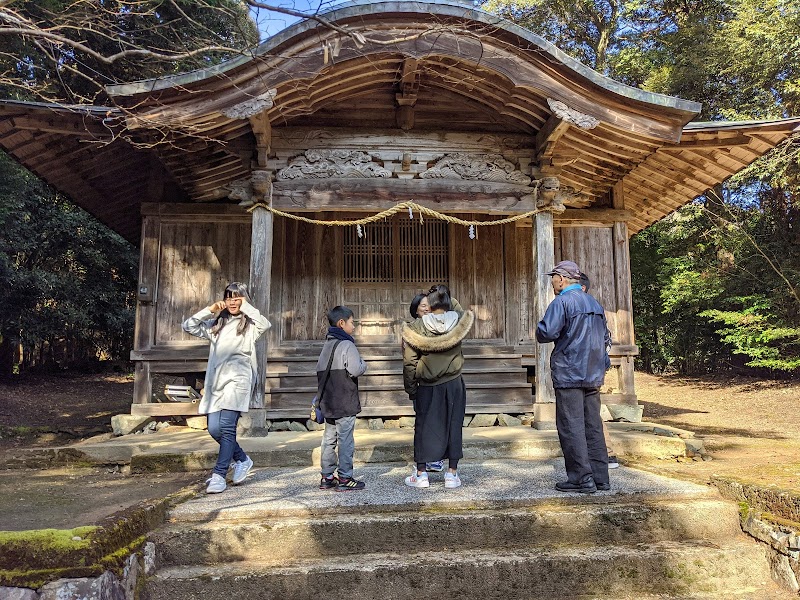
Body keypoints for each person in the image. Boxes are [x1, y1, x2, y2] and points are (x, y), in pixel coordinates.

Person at [182, 282, 271, 494]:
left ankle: (219, 475)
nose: (233, 301)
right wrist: (210, 310)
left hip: (238, 381)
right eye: (229, 297)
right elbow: (188, 326)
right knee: (214, 429)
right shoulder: (216, 325)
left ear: (245, 300)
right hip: (216, 383)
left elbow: (265, 323)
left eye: (237, 297)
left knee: (227, 427)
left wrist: (246, 306)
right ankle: (242, 459)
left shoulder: (250, 327)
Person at [537, 261, 611, 493]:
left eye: (553, 277)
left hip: (570, 371)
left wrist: (539, 328)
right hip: (593, 372)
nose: (552, 281)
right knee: (593, 425)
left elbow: (546, 332)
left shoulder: (562, 302)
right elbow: (605, 337)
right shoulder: (594, 303)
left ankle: (581, 478)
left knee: (571, 425)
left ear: (561, 278)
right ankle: (601, 478)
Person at [402, 285, 474, 489]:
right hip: (454, 383)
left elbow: (409, 362)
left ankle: (422, 474)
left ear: (429, 306)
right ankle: (451, 474)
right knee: (454, 424)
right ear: (447, 303)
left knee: (424, 427)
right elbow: (457, 307)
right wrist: (442, 293)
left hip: (427, 384)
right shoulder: (459, 322)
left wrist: (411, 388)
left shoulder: (417, 327)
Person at [317, 305, 368, 491]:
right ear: (341, 323)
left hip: (328, 401)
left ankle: (327, 476)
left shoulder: (327, 345)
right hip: (344, 401)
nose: (353, 326)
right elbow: (355, 369)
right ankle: (346, 478)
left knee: (329, 439)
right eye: (352, 322)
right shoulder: (347, 344)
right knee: (345, 440)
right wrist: (364, 364)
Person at [579, 273, 619, 470]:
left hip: (587, 369)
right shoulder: (595, 309)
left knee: (592, 413)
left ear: (582, 288)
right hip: (589, 368)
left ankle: (607, 453)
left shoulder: (589, 310)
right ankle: (601, 455)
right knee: (590, 413)